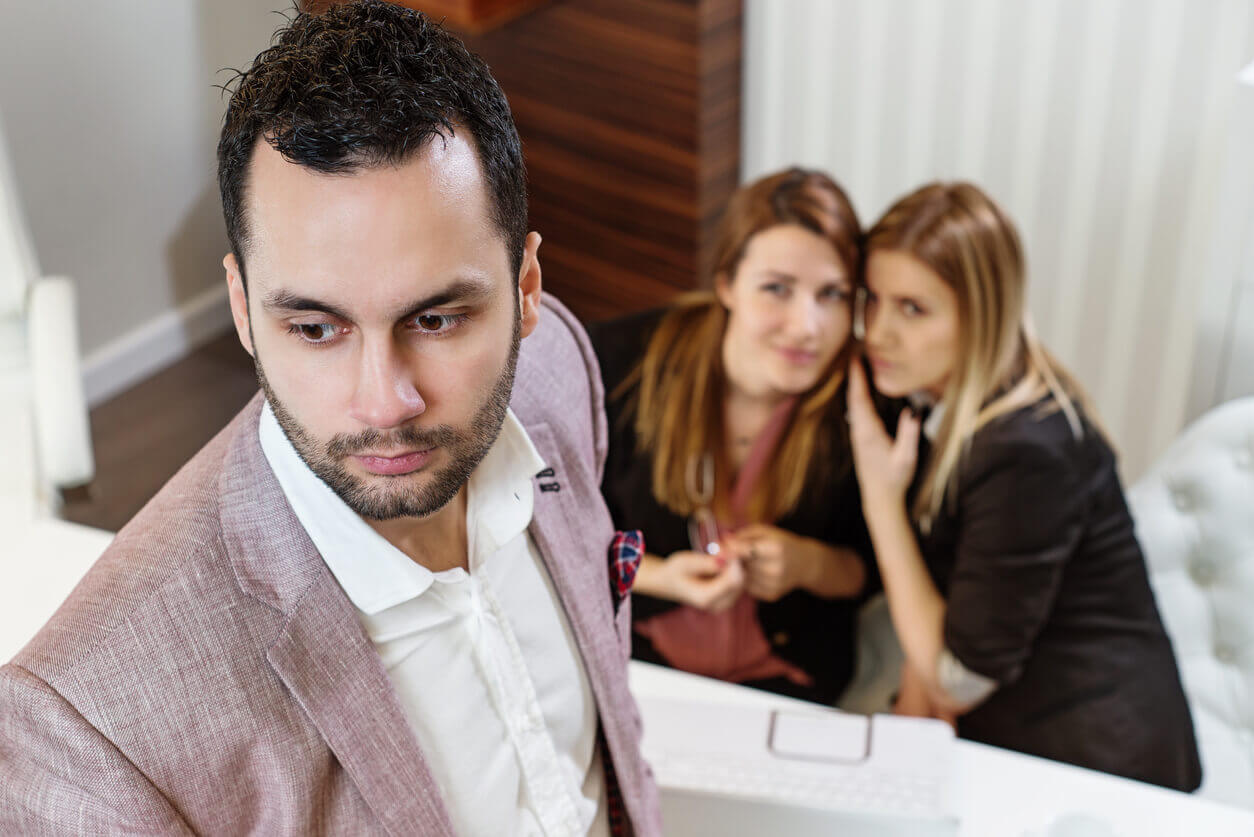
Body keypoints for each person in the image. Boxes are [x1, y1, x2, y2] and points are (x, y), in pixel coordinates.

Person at [0, 3, 661, 833]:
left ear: (526, 290)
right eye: (316, 328)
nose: (385, 402)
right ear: (241, 308)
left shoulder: (556, 366)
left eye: (437, 318)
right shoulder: (84, 734)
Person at [846, 181, 1201, 790]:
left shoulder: (1027, 449)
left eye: (913, 309)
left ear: (983, 314)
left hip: (1097, 762)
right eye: (871, 300)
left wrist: (881, 498)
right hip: (1012, 732)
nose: (877, 332)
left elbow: (955, 677)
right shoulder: (945, 398)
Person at [590, 168, 871, 705]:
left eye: (832, 294)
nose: (807, 326)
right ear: (726, 283)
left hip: (791, 684)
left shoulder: (860, 404)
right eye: (777, 289)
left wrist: (808, 564)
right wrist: (660, 577)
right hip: (641, 666)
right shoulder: (621, 365)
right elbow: (559, 535)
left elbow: (871, 572)